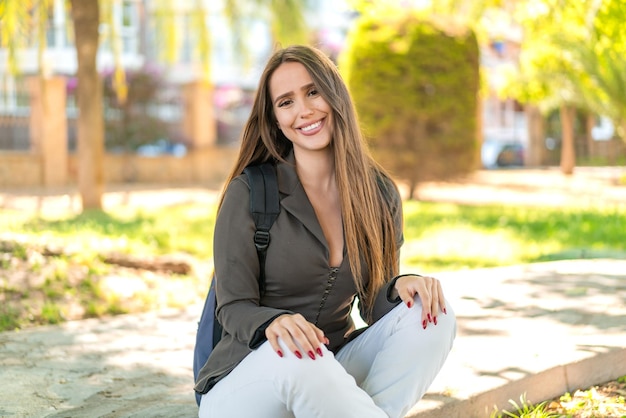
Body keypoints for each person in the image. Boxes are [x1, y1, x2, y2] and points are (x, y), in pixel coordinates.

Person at [194, 44, 456, 418]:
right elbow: (233, 308)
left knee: (433, 315)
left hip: (329, 371)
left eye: (313, 91)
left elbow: (371, 304)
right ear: (276, 121)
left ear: (335, 96)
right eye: (286, 102)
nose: (304, 110)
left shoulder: (378, 193)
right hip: (246, 384)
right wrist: (275, 323)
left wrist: (400, 288)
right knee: (299, 354)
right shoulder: (251, 192)